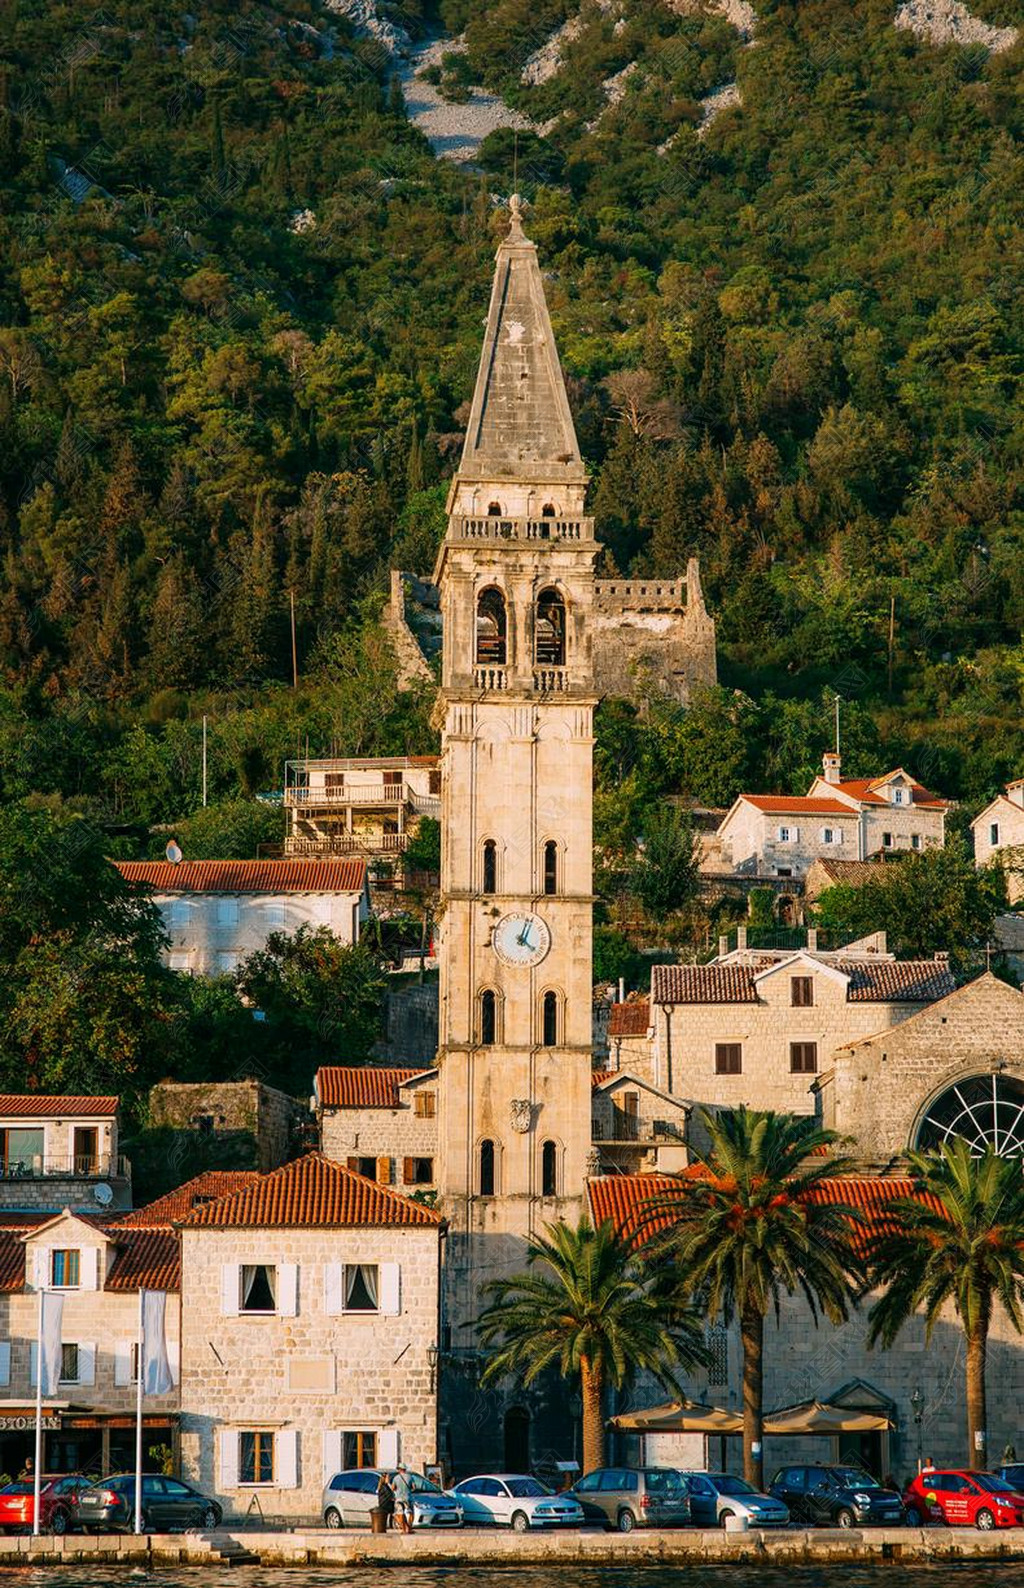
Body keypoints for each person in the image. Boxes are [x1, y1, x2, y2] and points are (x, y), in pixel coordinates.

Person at [391, 1464, 413, 1534]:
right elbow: (414, 1487)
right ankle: (409, 1528)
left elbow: (393, 1488)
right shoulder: (410, 1477)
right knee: (410, 1513)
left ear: (399, 1469)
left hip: (399, 1498)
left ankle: (403, 1529)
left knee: (400, 1513)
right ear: (405, 1469)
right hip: (407, 1497)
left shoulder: (396, 1478)